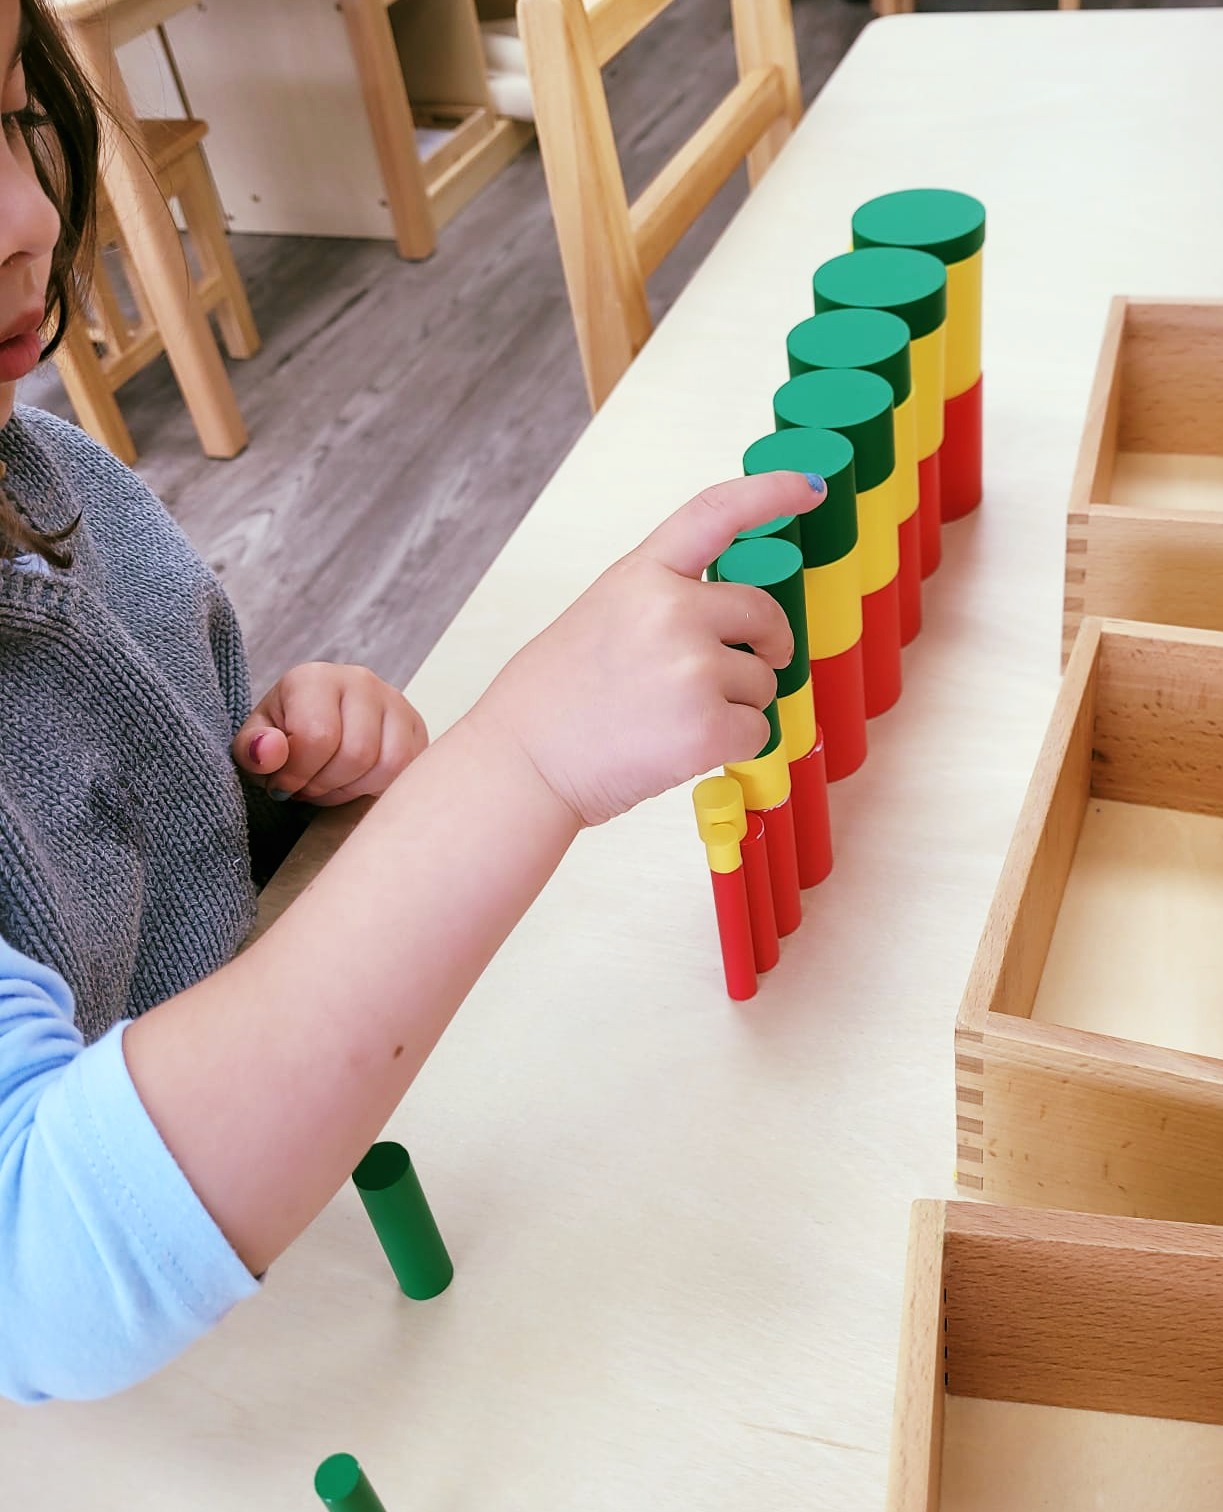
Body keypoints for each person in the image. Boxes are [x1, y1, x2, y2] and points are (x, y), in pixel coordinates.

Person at [0, 0, 817, 1404]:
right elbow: (38, 1265)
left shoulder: (50, 476)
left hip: (272, 1244)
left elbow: (110, 856)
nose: (25, 211)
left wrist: (273, 778)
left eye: (17, 114)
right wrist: (528, 760)